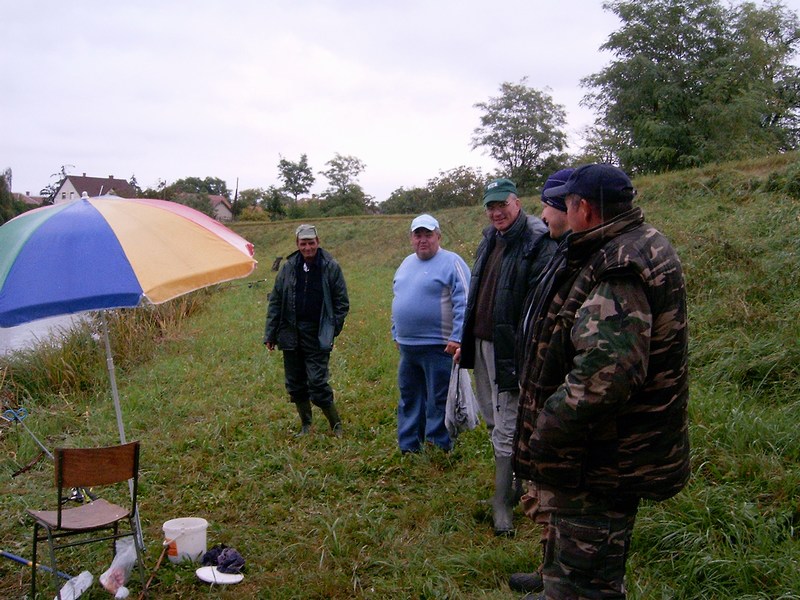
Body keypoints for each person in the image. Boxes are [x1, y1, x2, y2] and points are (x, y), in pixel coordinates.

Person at [512, 164, 690, 599]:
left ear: (585, 209)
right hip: (604, 454)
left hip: (599, 460)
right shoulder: (636, 242)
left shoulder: (617, 264)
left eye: (567, 204)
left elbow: (605, 377)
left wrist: (545, 429)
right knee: (573, 561)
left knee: (585, 582)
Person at [456, 178, 557, 536]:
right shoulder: (490, 238)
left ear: (517, 203)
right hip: (482, 342)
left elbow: (538, 306)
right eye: (491, 206)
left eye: (502, 204)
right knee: (492, 420)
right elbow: (478, 293)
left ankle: (503, 505)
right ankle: (513, 488)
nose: (496, 212)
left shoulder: (536, 240)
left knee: (508, 424)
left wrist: (524, 353)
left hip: (511, 350)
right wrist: (465, 339)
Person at [508, 167, 574, 596]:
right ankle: (550, 570)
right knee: (549, 490)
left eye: (549, 205)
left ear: (573, 207)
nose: (543, 214)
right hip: (541, 387)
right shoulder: (563, 250)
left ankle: (561, 580)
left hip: (562, 396)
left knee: (565, 495)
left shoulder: (584, 255)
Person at [392, 214, 470, 453]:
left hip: (440, 346)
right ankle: (409, 446)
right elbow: (397, 298)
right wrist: (396, 332)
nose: (423, 240)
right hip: (408, 347)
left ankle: (439, 446)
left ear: (438, 237)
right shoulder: (406, 263)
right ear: (411, 238)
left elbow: (465, 300)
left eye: (428, 234)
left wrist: (458, 337)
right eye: (418, 235)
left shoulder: (452, 262)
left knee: (439, 398)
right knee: (409, 397)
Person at [264, 224, 350, 437]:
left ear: (318, 242)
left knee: (317, 382)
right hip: (290, 332)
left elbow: (341, 303)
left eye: (311, 243)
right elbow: (276, 301)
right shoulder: (288, 267)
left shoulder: (330, 266)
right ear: (297, 244)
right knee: (295, 383)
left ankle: (336, 425)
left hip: (317, 333)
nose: (308, 247)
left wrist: (332, 329)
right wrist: (270, 334)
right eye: (303, 243)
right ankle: (306, 425)